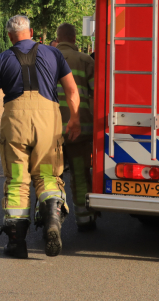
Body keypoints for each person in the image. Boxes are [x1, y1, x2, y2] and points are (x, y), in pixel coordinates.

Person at [0, 15, 80, 259]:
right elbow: (72, 90)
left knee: (17, 180)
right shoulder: (54, 55)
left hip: (15, 123)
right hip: (47, 123)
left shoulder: (2, 59)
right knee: (47, 175)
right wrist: (74, 118)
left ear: (9, 35)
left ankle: (16, 243)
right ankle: (53, 218)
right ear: (31, 32)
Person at [55, 23, 96, 231]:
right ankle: (84, 219)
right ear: (74, 39)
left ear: (58, 38)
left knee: (52, 177)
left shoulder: (44, 59)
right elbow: (97, 94)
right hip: (79, 131)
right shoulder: (85, 60)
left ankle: (52, 220)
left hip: (50, 132)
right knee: (80, 175)